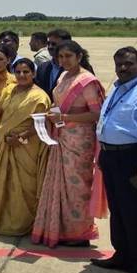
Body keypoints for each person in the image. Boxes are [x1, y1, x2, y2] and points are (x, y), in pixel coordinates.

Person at [32, 40, 104, 248]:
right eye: (60, 57)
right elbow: (58, 103)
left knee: (77, 186)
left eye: (68, 56)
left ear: (79, 57)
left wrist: (64, 116)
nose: (64, 61)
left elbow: (96, 114)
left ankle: (80, 232)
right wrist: (53, 114)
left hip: (79, 140)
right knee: (58, 183)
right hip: (60, 134)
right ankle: (60, 228)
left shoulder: (88, 81)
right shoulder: (63, 76)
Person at [0, 59, 51, 236]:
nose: (22, 75)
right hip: (3, 143)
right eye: (18, 72)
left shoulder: (39, 96)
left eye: (26, 72)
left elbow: (42, 124)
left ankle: (22, 223)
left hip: (25, 146)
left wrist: (21, 137)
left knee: (24, 186)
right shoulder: (9, 90)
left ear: (33, 74)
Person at [90, 47, 137, 273]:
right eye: (119, 64)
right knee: (118, 211)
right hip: (110, 159)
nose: (123, 68)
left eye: (129, 64)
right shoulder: (117, 88)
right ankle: (122, 255)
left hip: (131, 160)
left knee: (134, 215)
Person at [35, 29, 72, 97]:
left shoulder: (78, 68)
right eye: (48, 43)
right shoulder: (42, 67)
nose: (50, 47)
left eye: (54, 44)